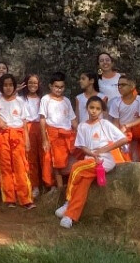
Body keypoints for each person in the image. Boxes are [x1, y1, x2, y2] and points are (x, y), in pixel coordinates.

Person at [55, 95, 128, 229]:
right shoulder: (82, 126)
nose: (94, 111)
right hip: (89, 159)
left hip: (103, 160)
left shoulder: (105, 124)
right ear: (87, 108)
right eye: (92, 107)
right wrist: (92, 153)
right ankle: (70, 217)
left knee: (76, 167)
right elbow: (82, 146)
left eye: (98, 109)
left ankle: (68, 201)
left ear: (102, 111)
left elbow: (123, 139)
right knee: (82, 184)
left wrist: (105, 148)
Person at [0, 73, 34, 209]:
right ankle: (9, 198)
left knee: (20, 166)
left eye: (11, 85)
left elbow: (24, 122)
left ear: (14, 87)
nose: (8, 88)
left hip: (18, 136)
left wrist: (27, 140)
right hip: (2, 136)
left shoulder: (20, 101)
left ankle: (25, 198)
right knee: (5, 167)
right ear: (1, 87)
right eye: (5, 85)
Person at [38, 72, 76, 191]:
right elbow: (42, 119)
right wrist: (44, 139)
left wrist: (81, 132)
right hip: (53, 134)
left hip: (68, 134)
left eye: (61, 87)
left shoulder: (66, 100)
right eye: (56, 87)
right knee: (56, 162)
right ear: (50, 86)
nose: (59, 89)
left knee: (71, 160)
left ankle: (71, 186)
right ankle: (59, 188)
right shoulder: (46, 99)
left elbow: (73, 119)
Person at [21, 73, 52, 196]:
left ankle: (49, 183)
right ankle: (34, 186)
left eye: (35, 83)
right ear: (26, 84)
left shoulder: (43, 99)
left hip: (42, 127)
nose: (32, 85)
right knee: (31, 158)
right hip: (28, 127)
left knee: (46, 156)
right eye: (30, 82)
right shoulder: (22, 99)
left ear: (38, 85)